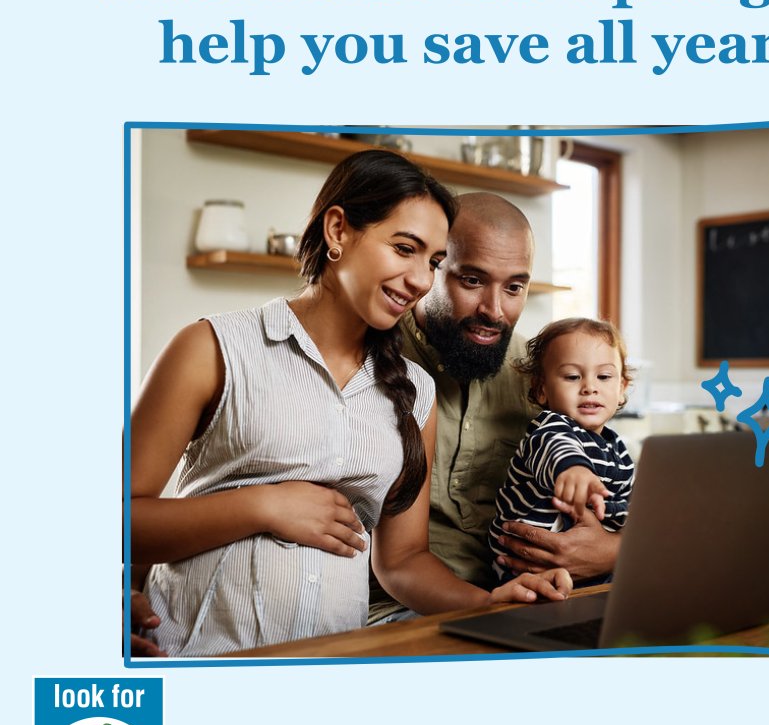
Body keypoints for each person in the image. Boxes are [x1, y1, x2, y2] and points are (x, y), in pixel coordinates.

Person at [131, 151, 570, 656]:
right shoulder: (211, 348)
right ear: (338, 230)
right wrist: (263, 505)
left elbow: (402, 560)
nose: (421, 280)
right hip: (199, 658)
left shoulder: (414, 390)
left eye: (431, 261)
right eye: (404, 249)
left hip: (337, 660)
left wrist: (490, 604)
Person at [369, 193, 623, 623]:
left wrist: (610, 552)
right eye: (471, 280)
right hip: (405, 609)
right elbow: (395, 560)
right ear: (432, 268)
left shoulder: (543, 375)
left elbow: (609, 488)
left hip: (535, 599)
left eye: (514, 287)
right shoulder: (374, 364)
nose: (494, 310)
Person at [488, 318, 635, 582]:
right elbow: (557, 447)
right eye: (572, 377)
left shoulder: (618, 450)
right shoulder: (549, 427)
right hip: (525, 569)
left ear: (622, 388)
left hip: (593, 570)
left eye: (604, 376)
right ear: (541, 390)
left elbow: (627, 505)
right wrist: (574, 469)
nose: (590, 387)